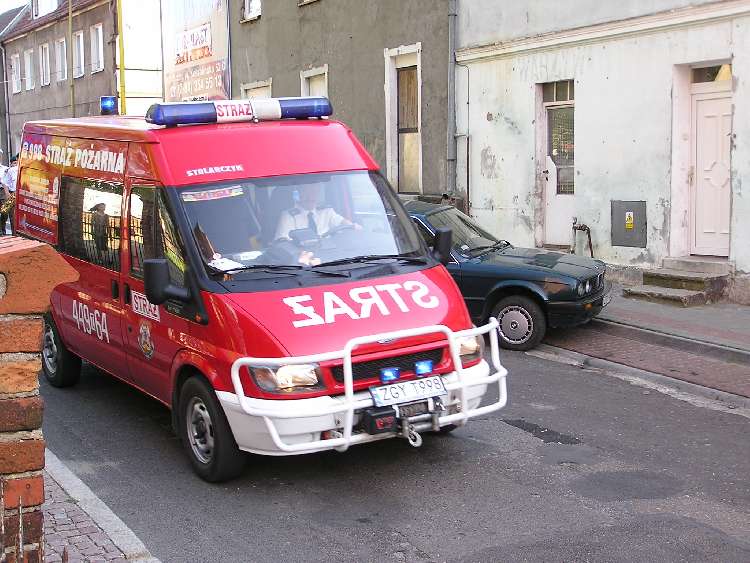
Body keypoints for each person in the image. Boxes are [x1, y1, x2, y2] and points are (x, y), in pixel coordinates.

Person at [275, 182, 359, 241]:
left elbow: (343, 223)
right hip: (304, 257)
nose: (310, 196)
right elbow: (283, 241)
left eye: (314, 191)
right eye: (306, 191)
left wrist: (353, 226)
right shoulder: (288, 216)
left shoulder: (327, 211)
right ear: (299, 192)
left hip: (330, 255)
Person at [0, 153, 17, 236]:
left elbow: (4, 182)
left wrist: (6, 193)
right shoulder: (10, 170)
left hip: (4, 191)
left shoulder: (6, 169)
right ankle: (2, 231)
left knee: (5, 212)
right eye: (14, 163)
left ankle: (14, 233)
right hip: (8, 192)